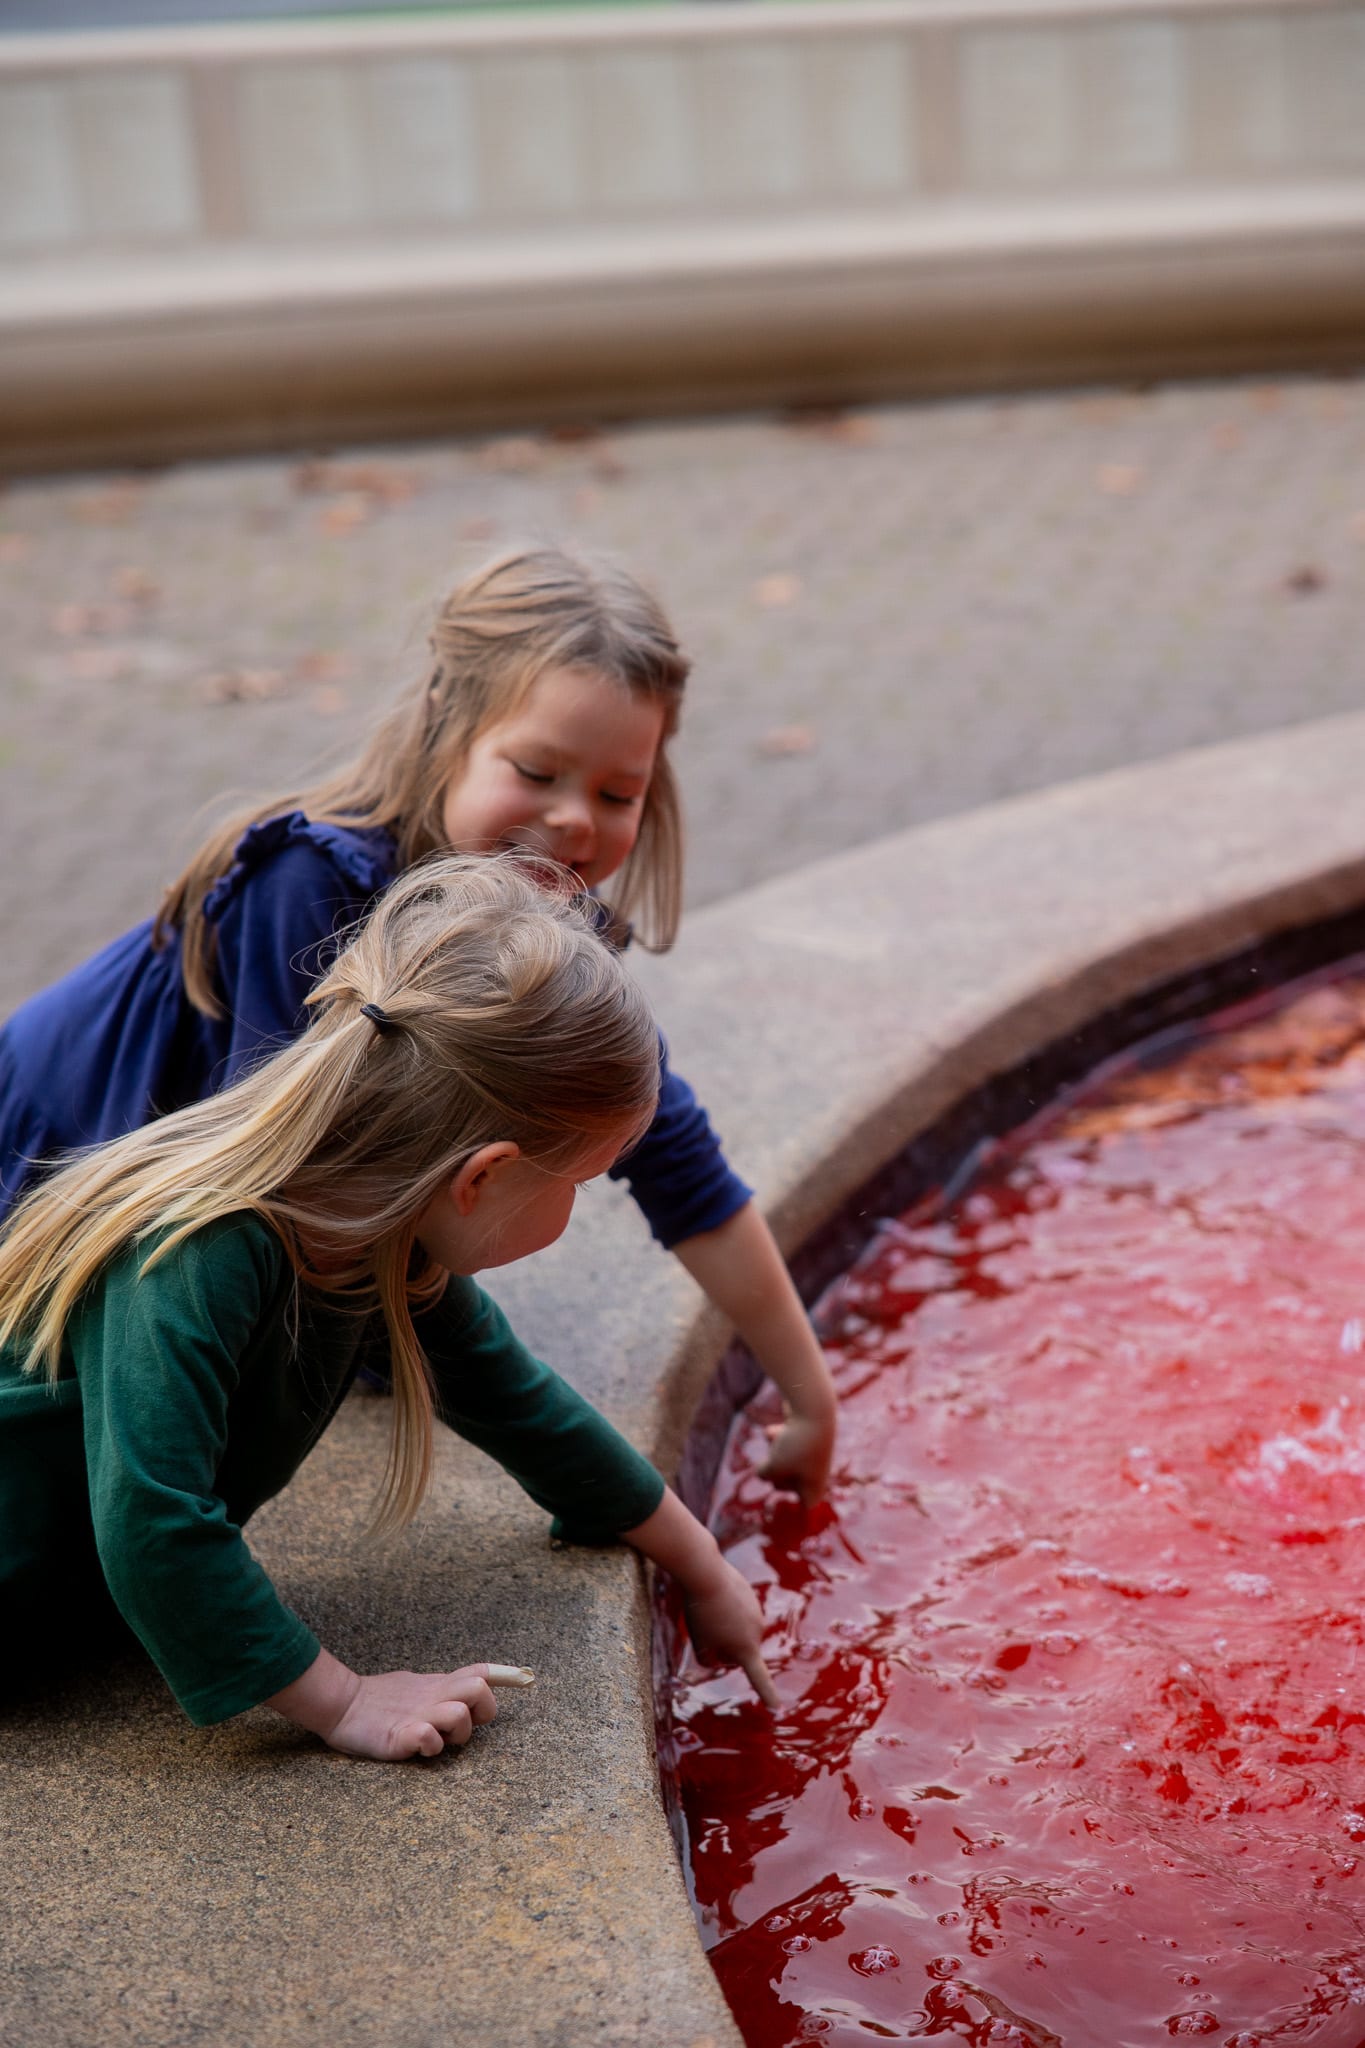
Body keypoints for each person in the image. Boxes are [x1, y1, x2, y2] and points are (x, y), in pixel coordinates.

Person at [0, 545, 836, 1504]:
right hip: (38, 1169)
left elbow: (676, 1158)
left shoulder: (536, 937)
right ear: (446, 725)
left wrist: (806, 1391)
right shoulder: (308, 889)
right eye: (536, 770)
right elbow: (288, 1203)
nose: (573, 821)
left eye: (617, 794)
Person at [0, 856, 776, 1758]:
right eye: (585, 1182)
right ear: (482, 1177)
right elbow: (152, 1525)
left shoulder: (373, 1234)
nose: (579, 1204)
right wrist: (343, 1701)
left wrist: (703, 1569)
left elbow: (516, 1399)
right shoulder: (192, 1251)